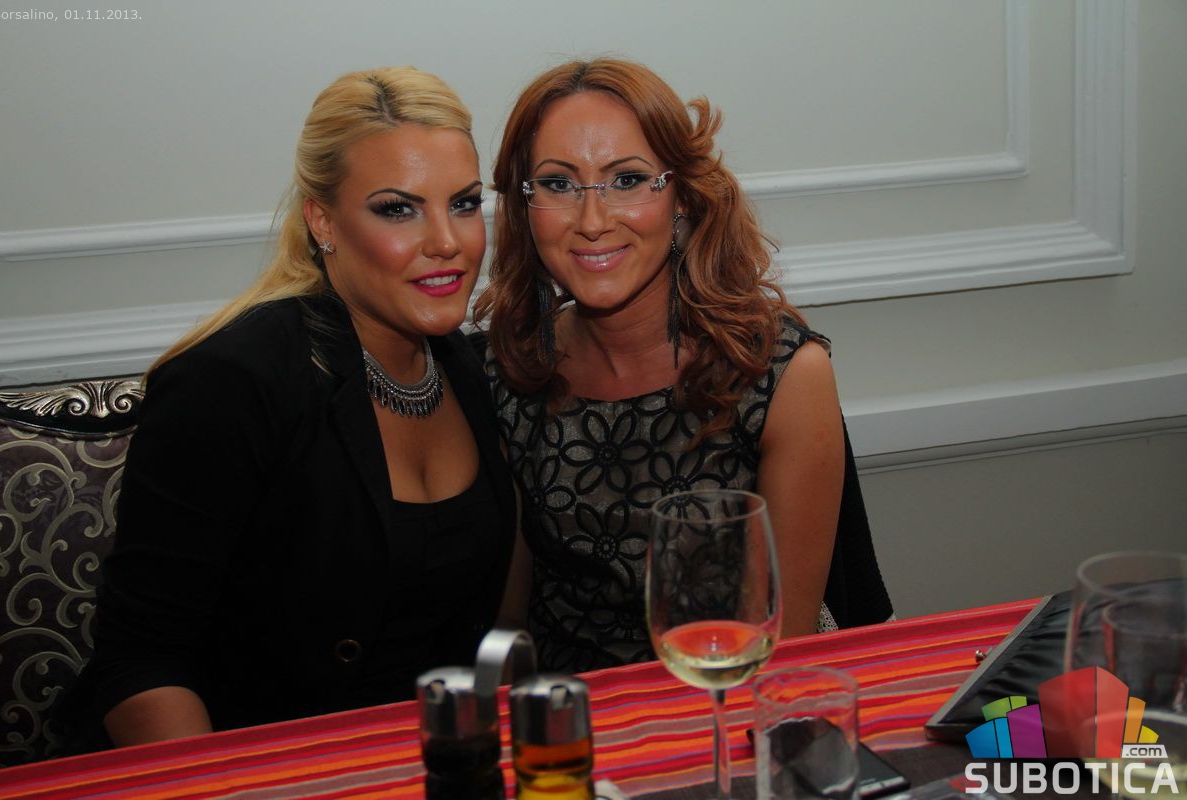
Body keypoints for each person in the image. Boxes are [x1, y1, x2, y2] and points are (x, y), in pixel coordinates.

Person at [79, 66, 516, 746]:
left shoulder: (467, 368)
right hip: (259, 768)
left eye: (463, 203)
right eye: (397, 209)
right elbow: (141, 661)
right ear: (323, 221)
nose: (448, 241)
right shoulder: (232, 380)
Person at [475, 58, 892, 673]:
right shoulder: (506, 368)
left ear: (681, 197)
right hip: (566, 712)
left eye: (628, 179)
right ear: (525, 204)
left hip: (725, 700)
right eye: (559, 184)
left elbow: (784, 650)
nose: (592, 222)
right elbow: (506, 630)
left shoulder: (779, 374)